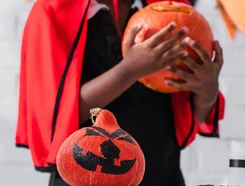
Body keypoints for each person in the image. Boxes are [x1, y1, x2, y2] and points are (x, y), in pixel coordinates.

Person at [16, 0, 225, 185]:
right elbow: (55, 117)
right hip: (85, 176)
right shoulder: (51, 12)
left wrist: (207, 88)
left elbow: (192, 116)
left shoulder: (177, 11)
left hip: (160, 173)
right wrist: (129, 70)